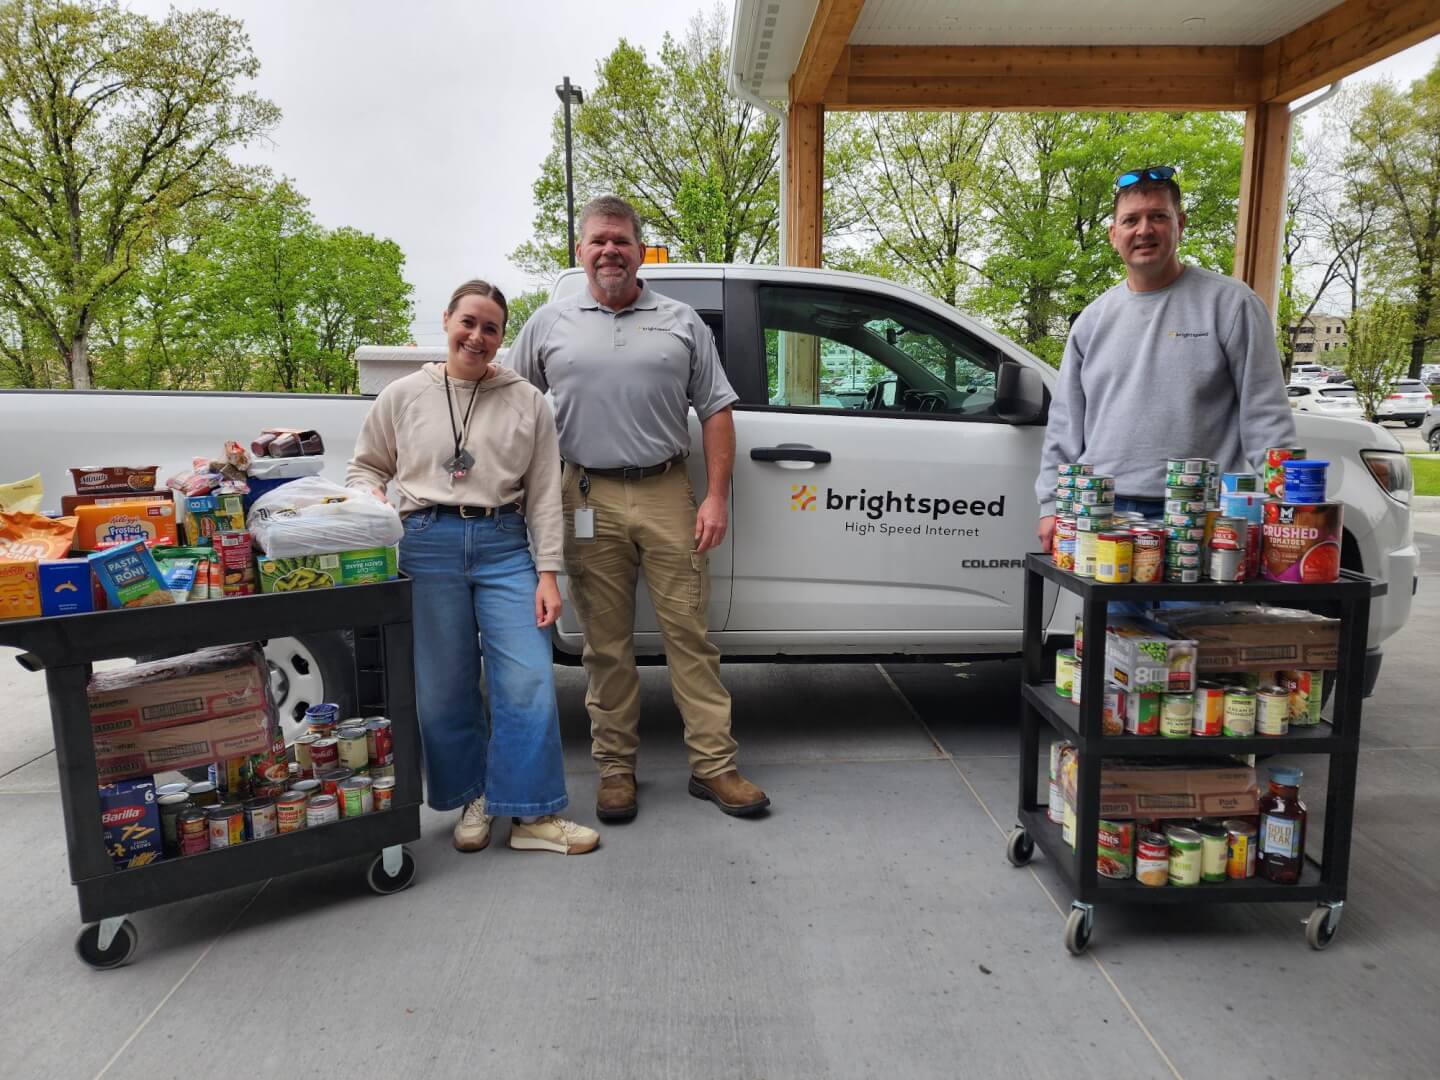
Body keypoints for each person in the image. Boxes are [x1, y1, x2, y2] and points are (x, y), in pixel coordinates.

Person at [508, 195, 769, 822]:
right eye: (598, 240)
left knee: (690, 635)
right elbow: (511, 404)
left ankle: (714, 766)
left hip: (666, 492)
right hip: (584, 493)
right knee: (604, 644)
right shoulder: (548, 324)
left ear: (639, 248)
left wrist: (715, 496)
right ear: (580, 250)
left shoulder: (681, 321)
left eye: (621, 240)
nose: (609, 251)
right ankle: (616, 770)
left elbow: (716, 410)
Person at [347, 279, 599, 856]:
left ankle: (534, 816)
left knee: (529, 680)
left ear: (502, 337)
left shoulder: (527, 400)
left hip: (504, 543)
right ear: (447, 321)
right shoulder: (405, 394)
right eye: (469, 322)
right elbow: (364, 468)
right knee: (442, 688)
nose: (477, 337)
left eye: (490, 328)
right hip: (426, 542)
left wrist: (548, 572)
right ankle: (474, 796)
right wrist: (374, 500)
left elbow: (543, 494)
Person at [1035, 165, 1297, 542]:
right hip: (1105, 513)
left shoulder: (1232, 305)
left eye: (1158, 216)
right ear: (1114, 234)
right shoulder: (1092, 321)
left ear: (1180, 224)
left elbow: (1266, 417)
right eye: (1131, 220)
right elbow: (1064, 428)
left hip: (1203, 514)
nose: (1144, 230)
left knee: (1199, 607)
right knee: (1103, 605)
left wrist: (1286, 509)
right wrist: (1051, 507)